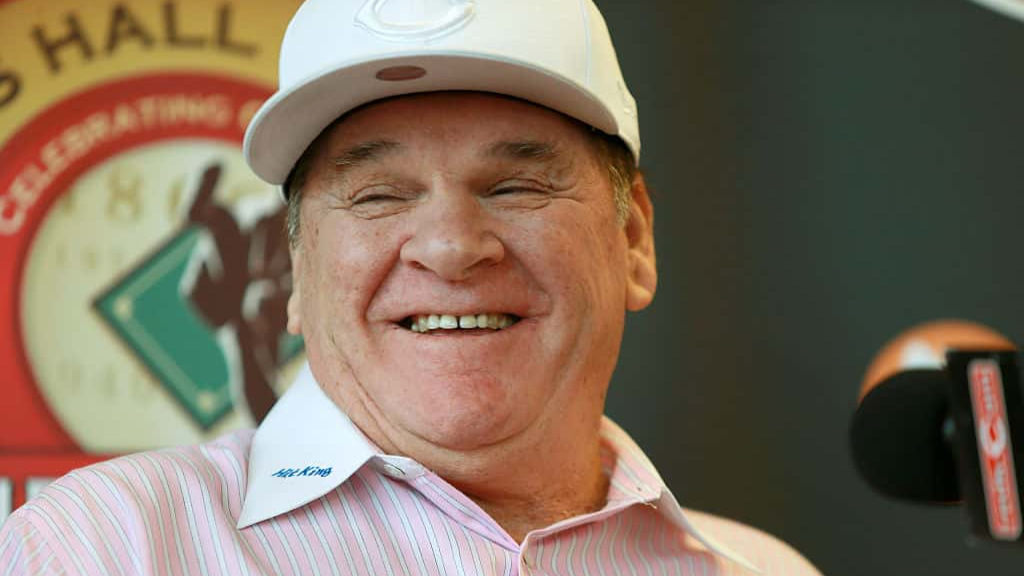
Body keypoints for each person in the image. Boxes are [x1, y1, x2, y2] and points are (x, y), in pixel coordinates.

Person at [0, 0, 823, 573]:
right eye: (377, 196)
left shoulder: (764, 571)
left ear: (634, 239)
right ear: (294, 271)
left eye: (515, 187)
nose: (451, 247)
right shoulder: (105, 551)